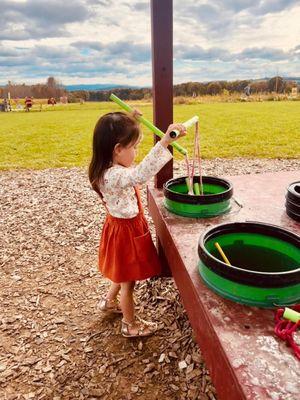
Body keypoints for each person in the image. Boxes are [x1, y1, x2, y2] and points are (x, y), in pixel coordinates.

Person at [88, 111, 186, 338]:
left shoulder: (104, 168)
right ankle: (129, 324)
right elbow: (140, 174)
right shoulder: (114, 175)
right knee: (128, 283)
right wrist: (165, 142)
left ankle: (109, 301)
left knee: (121, 273)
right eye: (134, 147)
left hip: (119, 227)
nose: (136, 152)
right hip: (125, 232)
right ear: (117, 149)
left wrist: (130, 119)